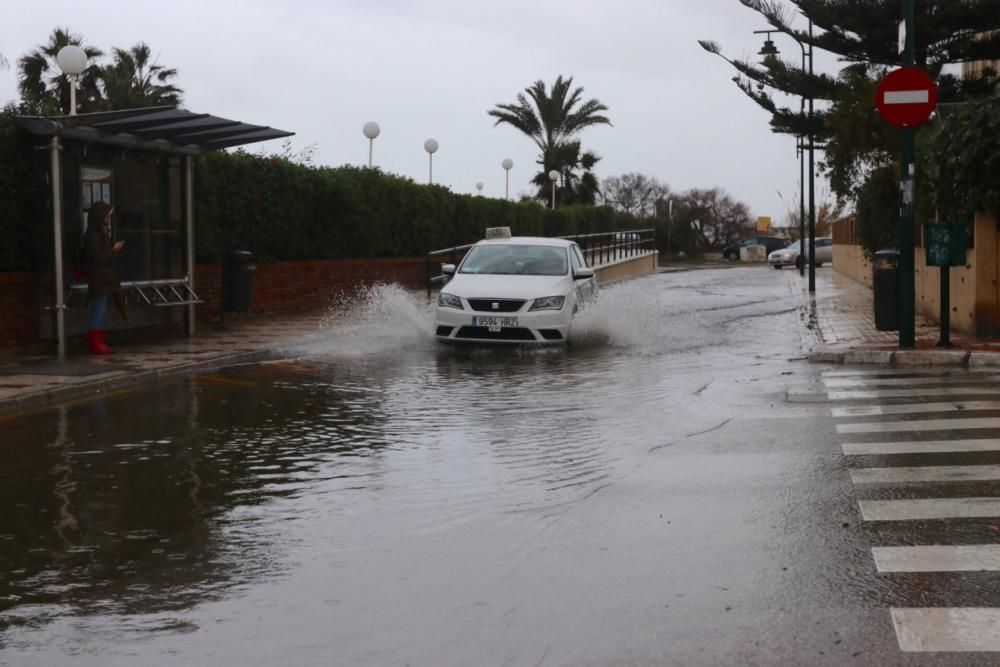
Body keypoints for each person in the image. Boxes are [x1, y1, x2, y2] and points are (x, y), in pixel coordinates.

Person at [83, 201, 124, 354]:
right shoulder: (93, 235)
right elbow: (98, 257)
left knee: (101, 310)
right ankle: (95, 342)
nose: (109, 219)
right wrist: (113, 250)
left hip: (105, 279)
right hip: (98, 279)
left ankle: (99, 340)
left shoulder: (102, 233)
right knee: (97, 310)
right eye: (107, 216)